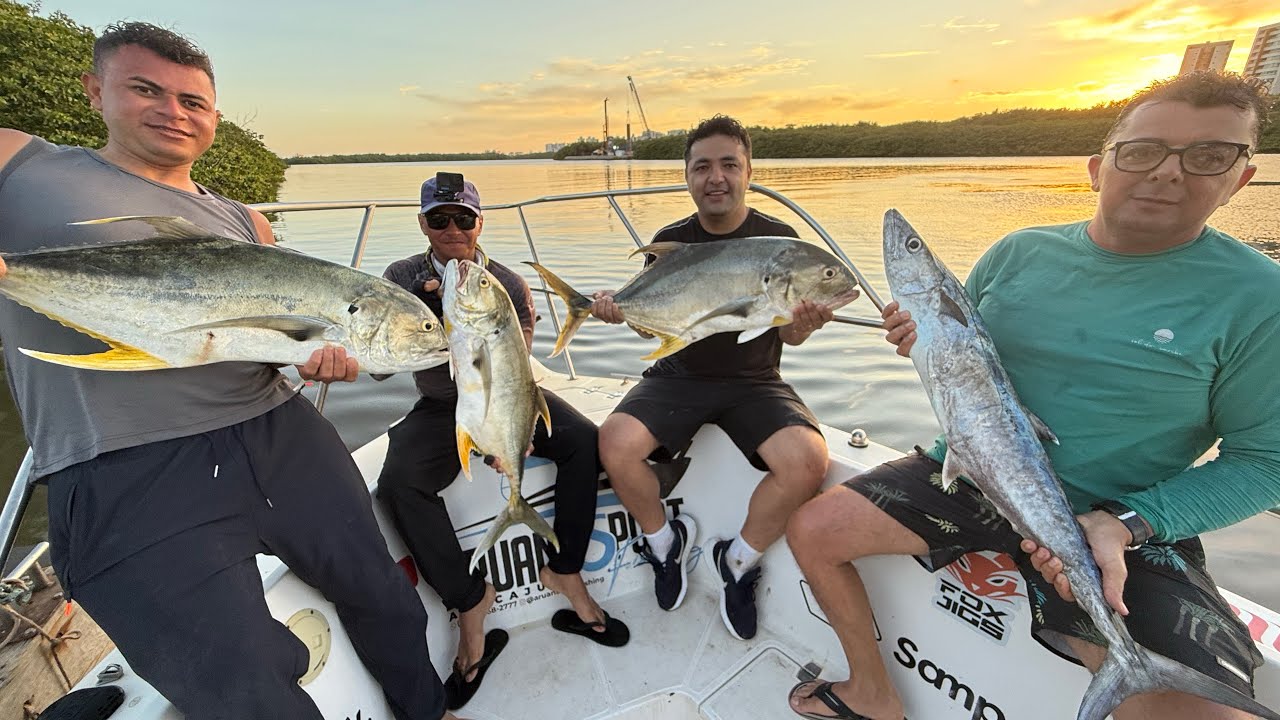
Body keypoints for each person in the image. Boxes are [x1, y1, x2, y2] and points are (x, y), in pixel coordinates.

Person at [0, 23, 463, 720]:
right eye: (145, 90)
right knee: (240, 686)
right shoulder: (22, 164)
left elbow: (282, 336)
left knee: (386, 597)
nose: (173, 112)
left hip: (275, 428)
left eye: (194, 101)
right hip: (122, 464)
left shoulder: (246, 220)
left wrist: (321, 359)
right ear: (94, 92)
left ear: (216, 117)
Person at [787, 71, 1280, 720]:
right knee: (815, 529)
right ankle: (873, 695)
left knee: (1196, 712)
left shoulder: (1257, 296)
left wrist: (1124, 524)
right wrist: (924, 346)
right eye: (1142, 151)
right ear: (1098, 168)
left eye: (1208, 156)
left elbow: (1266, 462)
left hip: (1120, 517)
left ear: (1241, 178)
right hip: (973, 473)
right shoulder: (1018, 253)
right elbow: (978, 375)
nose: (1167, 172)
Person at [377, 172, 630, 710]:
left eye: (463, 218)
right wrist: (426, 324)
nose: (452, 229)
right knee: (399, 483)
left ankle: (565, 573)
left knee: (585, 439)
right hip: (442, 405)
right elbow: (379, 371)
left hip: (509, 395)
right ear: (423, 223)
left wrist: (506, 431)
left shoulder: (509, 285)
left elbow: (516, 366)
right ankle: (471, 603)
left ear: (479, 223)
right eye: (440, 218)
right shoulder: (399, 278)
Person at [591, 115, 835, 641]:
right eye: (703, 166)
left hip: (754, 379)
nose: (716, 177)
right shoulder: (671, 241)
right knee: (614, 443)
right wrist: (622, 312)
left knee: (808, 461)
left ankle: (737, 562)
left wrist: (804, 326)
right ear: (687, 176)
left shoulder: (780, 241)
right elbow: (654, 328)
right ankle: (664, 544)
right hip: (678, 374)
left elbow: (787, 338)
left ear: (749, 171)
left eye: (729, 164)